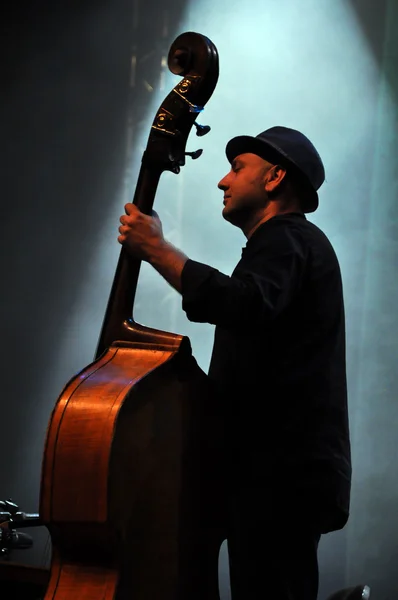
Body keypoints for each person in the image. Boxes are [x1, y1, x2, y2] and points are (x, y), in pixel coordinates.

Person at [117, 126, 352, 600]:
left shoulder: (288, 238)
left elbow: (244, 303)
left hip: (279, 475)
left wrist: (157, 250)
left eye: (237, 168)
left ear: (275, 178)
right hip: (279, 473)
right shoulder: (290, 245)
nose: (223, 182)